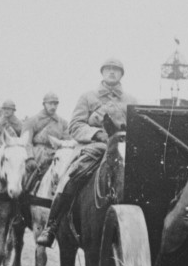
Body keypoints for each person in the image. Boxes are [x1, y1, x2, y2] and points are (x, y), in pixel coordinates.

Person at [37, 57, 138, 247]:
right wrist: (97, 133)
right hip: (94, 147)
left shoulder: (131, 100)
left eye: (116, 70)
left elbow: (139, 128)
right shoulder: (88, 97)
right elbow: (75, 126)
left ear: (121, 74)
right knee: (71, 175)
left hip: (123, 148)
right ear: (102, 72)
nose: (112, 72)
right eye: (108, 69)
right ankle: (52, 225)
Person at [23, 91, 70, 190]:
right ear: (44, 104)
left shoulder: (63, 123)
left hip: (56, 156)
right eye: (50, 103)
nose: (53, 106)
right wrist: (30, 158)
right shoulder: (32, 120)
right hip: (37, 155)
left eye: (55, 104)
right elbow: (26, 142)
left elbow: (67, 142)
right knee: (25, 182)